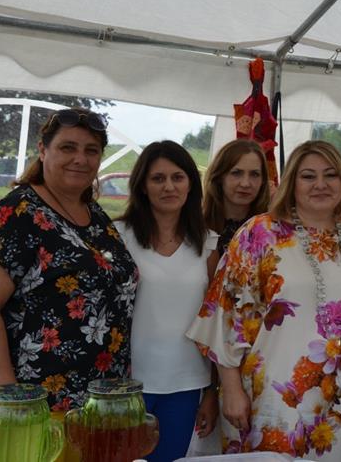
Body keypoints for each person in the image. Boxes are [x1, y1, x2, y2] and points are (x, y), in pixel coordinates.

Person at [187, 140, 341, 460]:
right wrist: (231, 389)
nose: (321, 184)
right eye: (308, 176)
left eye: (330, 175)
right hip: (272, 398)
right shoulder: (259, 233)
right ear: (292, 183)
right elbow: (226, 316)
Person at [0, 108, 138, 416]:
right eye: (67, 147)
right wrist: (11, 406)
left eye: (91, 150)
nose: (80, 159)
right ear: (43, 150)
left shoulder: (96, 216)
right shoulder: (17, 215)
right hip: (32, 408)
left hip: (94, 406)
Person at [114, 140, 219, 462]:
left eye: (177, 177)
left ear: (191, 184)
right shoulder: (118, 236)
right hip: (125, 384)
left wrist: (212, 391)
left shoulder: (208, 244)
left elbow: (216, 321)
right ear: (142, 186)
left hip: (186, 382)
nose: (169, 187)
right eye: (158, 178)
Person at [202, 139, 271, 258]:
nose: (245, 183)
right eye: (236, 173)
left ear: (263, 180)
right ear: (219, 176)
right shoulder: (196, 225)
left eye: (254, 174)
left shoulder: (272, 227)